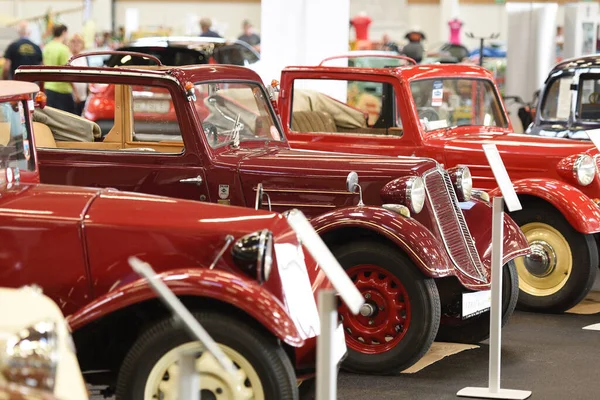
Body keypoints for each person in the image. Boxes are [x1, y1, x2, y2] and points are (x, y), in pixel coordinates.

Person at [43, 24, 79, 113]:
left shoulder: (47, 47)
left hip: (49, 88)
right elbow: (66, 71)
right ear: (64, 32)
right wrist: (75, 91)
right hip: (62, 91)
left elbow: (44, 65)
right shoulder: (63, 49)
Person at [68, 34, 88, 116]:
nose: (76, 44)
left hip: (84, 95)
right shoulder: (68, 57)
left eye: (79, 41)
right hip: (72, 96)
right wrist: (76, 93)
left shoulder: (84, 57)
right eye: (73, 41)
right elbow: (68, 76)